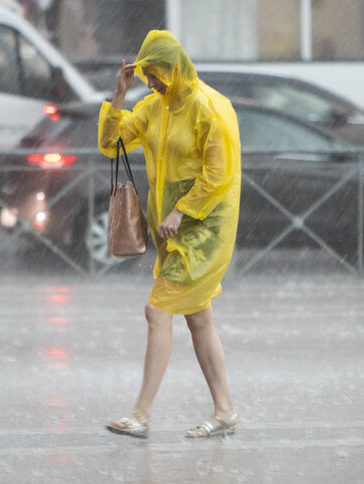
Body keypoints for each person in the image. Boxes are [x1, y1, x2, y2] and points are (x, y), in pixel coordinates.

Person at [97, 30, 242, 439]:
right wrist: (120, 93)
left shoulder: (208, 109)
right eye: (146, 77)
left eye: (157, 75)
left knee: (157, 311)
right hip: (173, 233)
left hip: (204, 230)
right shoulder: (153, 107)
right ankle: (226, 410)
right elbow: (112, 143)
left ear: (175, 68)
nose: (153, 83)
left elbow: (220, 173)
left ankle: (141, 413)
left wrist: (182, 210)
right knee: (199, 319)